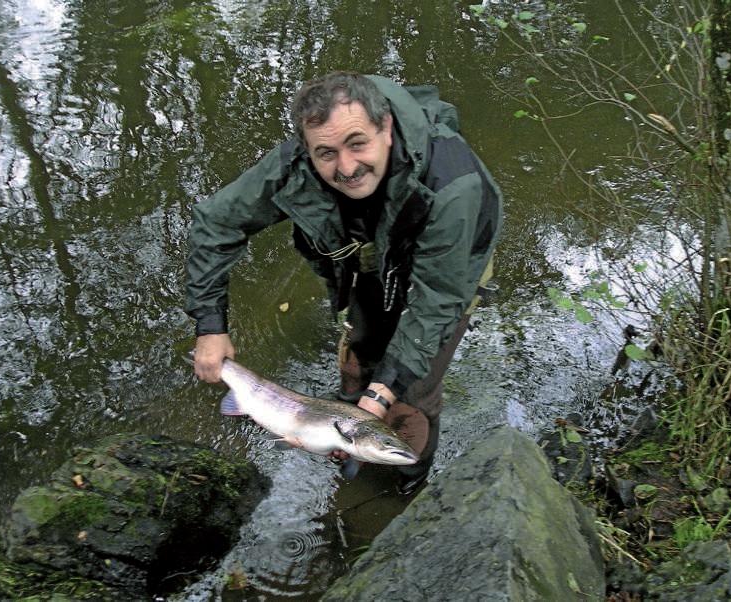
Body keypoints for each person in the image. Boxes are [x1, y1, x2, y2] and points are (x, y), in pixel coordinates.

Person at [186, 72, 503, 495]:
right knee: (357, 367)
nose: (347, 167)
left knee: (410, 394)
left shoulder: (452, 186)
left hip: (450, 269)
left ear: (385, 127)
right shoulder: (295, 165)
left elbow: (435, 302)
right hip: (371, 257)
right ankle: (353, 444)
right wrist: (210, 325)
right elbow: (215, 222)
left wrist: (386, 394)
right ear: (306, 150)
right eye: (326, 154)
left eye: (358, 143)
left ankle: (408, 485)